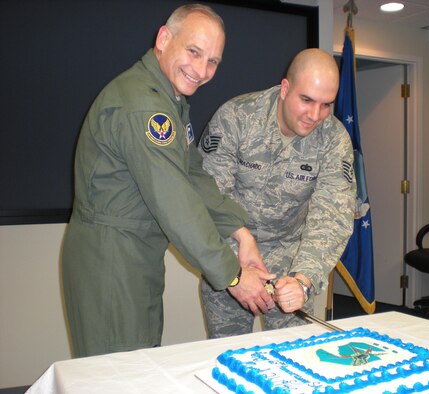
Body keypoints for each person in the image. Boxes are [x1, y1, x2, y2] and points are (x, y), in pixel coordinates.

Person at [62, 4, 275, 358]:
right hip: (112, 259)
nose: (201, 70)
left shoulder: (169, 100)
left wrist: (241, 232)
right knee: (119, 376)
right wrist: (234, 275)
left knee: (138, 362)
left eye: (213, 61)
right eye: (194, 52)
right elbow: (175, 201)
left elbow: (192, 174)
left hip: (136, 255)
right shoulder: (146, 107)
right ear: (164, 38)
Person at [198, 48, 357, 338]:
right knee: (229, 358)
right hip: (229, 259)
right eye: (306, 100)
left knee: (291, 361)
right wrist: (236, 270)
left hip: (290, 266)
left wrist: (304, 280)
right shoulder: (237, 118)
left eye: (326, 105)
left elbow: (331, 218)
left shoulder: (333, 140)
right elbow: (208, 196)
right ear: (285, 88)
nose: (315, 115)